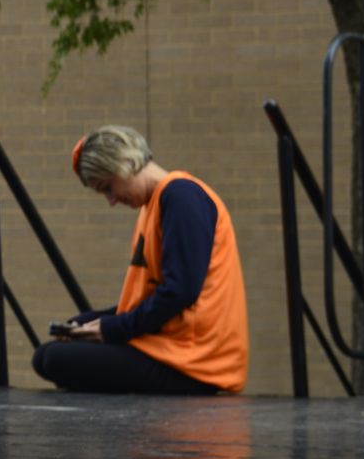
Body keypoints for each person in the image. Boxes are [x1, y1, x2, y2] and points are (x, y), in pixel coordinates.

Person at [35, 125, 247, 395]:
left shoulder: (182, 196)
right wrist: (93, 321)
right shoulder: (156, 205)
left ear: (125, 162)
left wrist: (112, 329)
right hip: (176, 351)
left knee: (54, 359)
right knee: (48, 355)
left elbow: (181, 291)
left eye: (108, 188)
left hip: (196, 363)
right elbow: (153, 296)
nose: (111, 201)